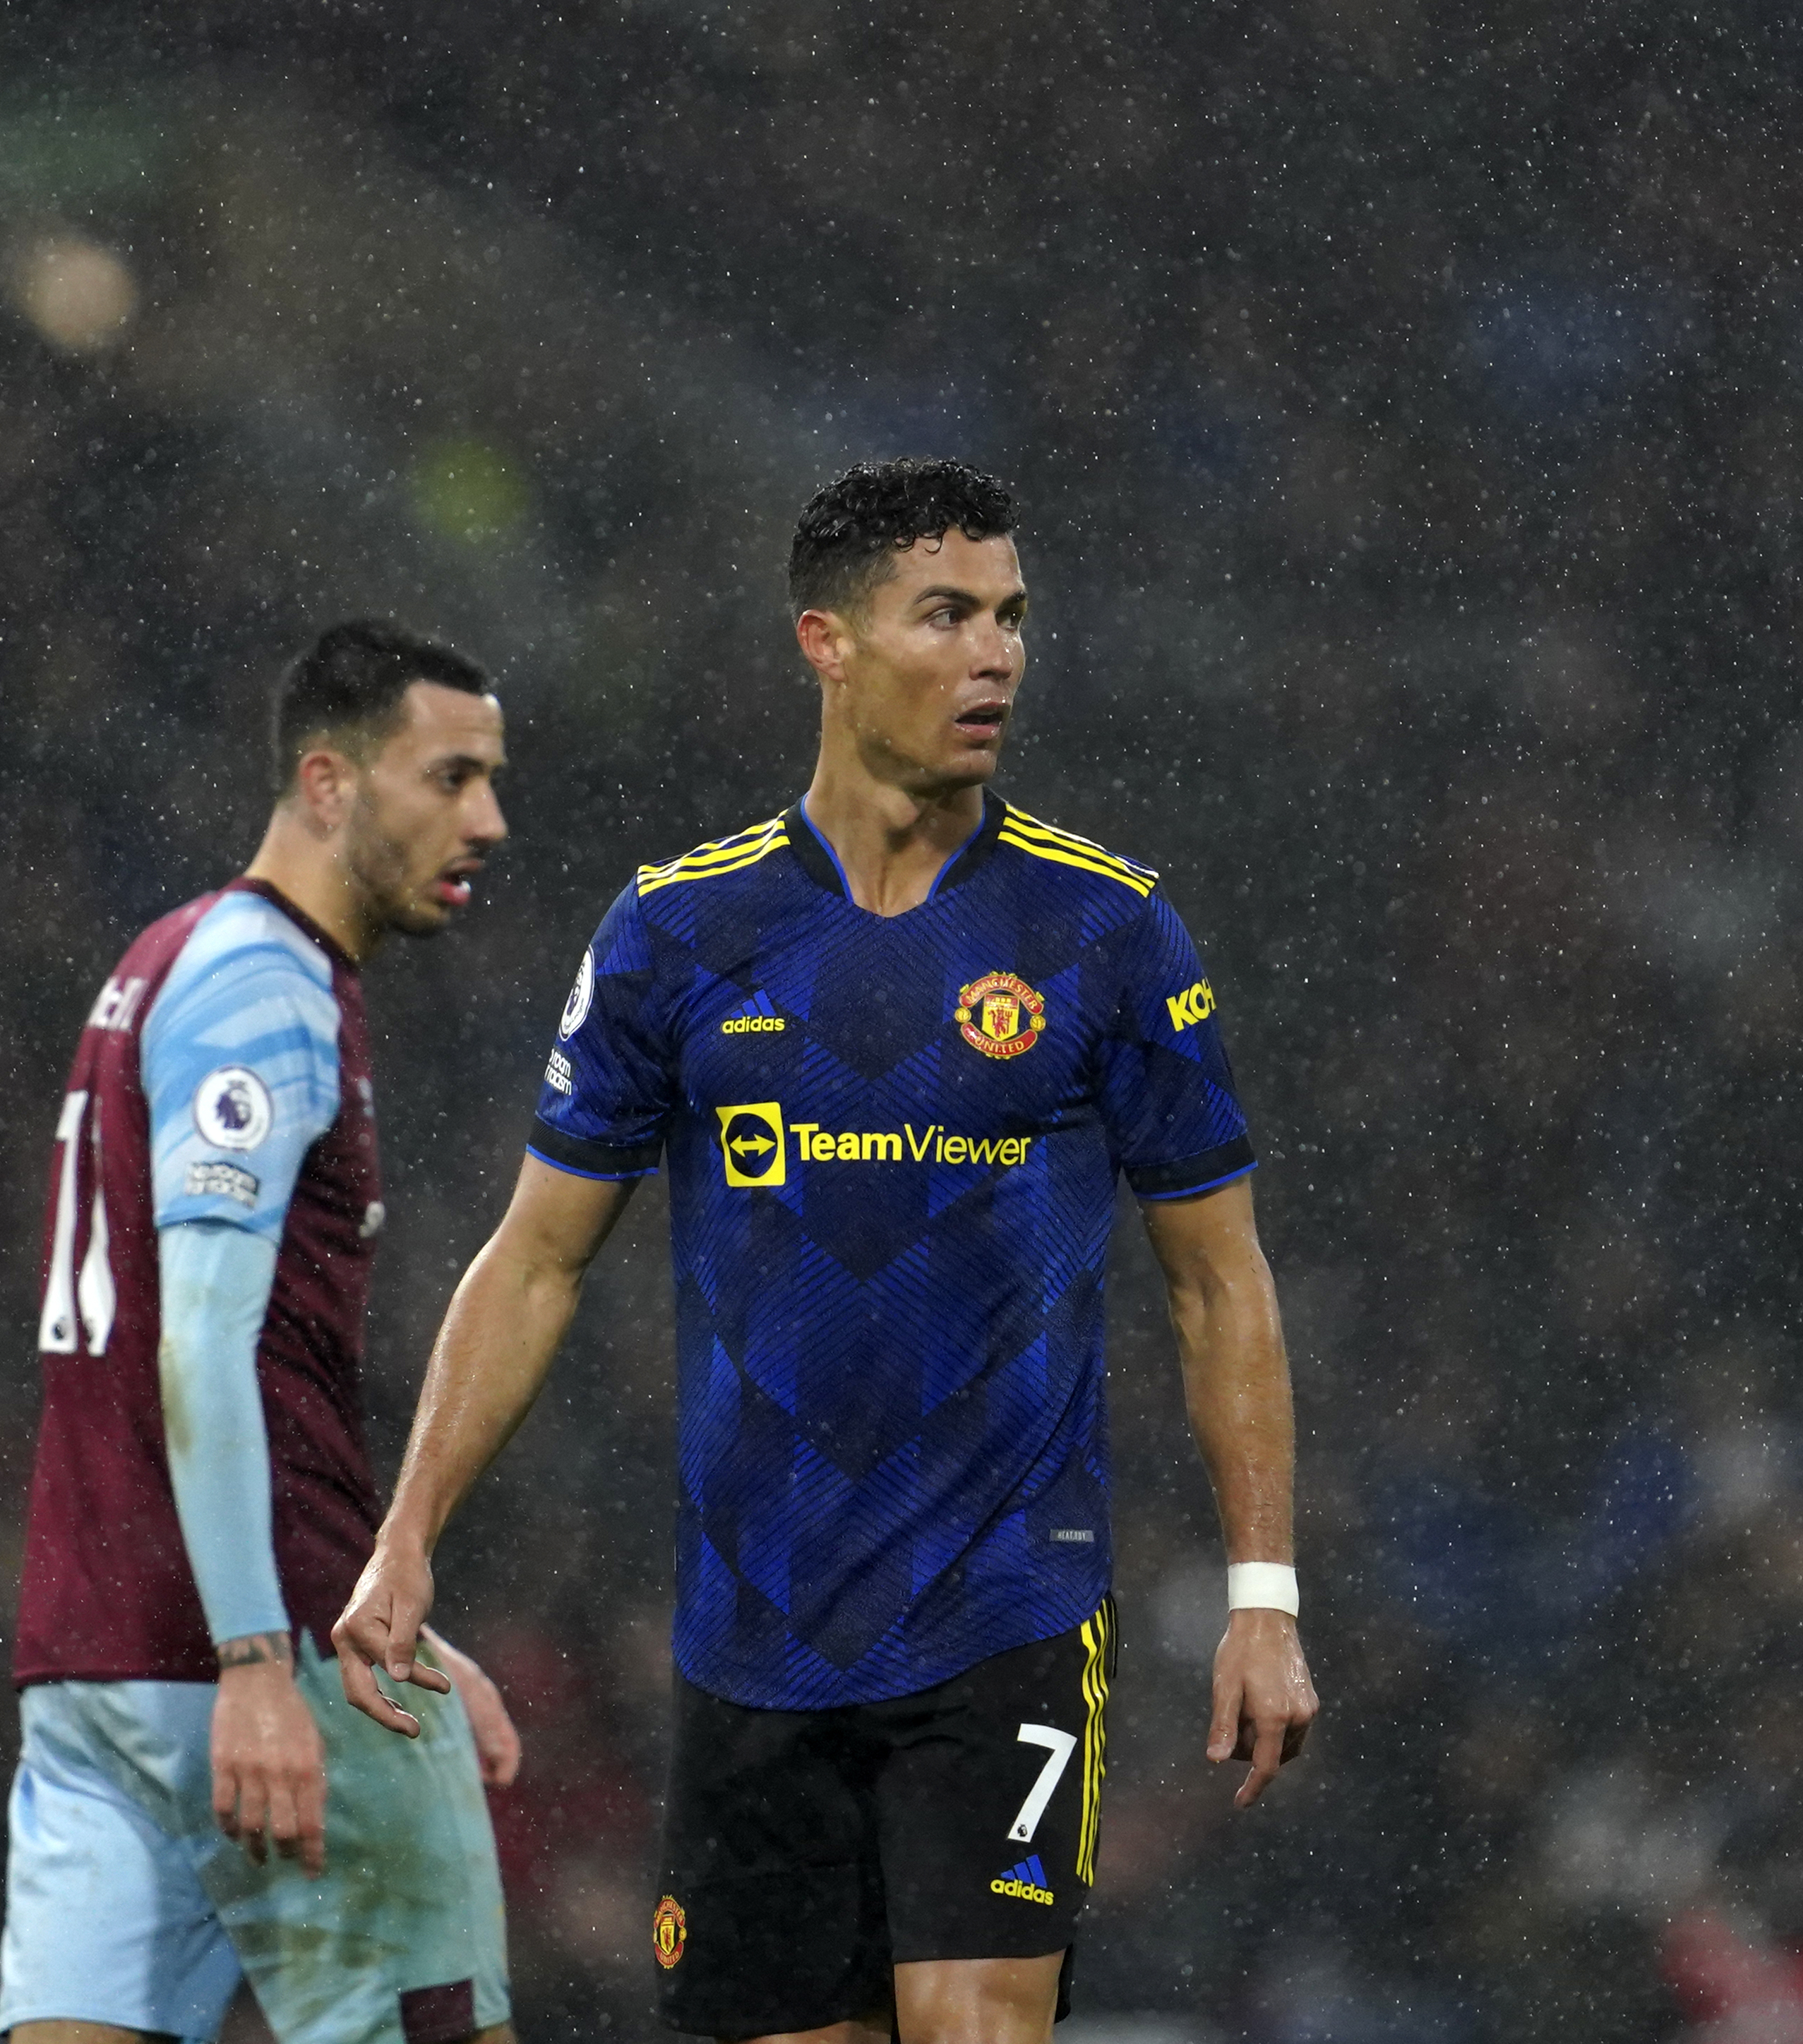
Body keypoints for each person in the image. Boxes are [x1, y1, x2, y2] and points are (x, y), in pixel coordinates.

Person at [335, 458, 1321, 2044]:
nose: (995, 653)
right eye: (946, 614)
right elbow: (534, 1259)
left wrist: (1262, 1592)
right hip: (754, 1629)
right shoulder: (677, 932)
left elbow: (1220, 1278)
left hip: (1005, 1606)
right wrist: (408, 1531)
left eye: (1010, 616)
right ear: (829, 641)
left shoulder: (1105, 930)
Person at [0, 621, 525, 2044]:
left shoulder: (164, 959)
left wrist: (394, 1609)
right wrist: (256, 1652)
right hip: (259, 1659)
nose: (486, 818)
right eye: (452, 774)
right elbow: (202, 1342)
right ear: (329, 781)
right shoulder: (261, 990)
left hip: (95, 1661)